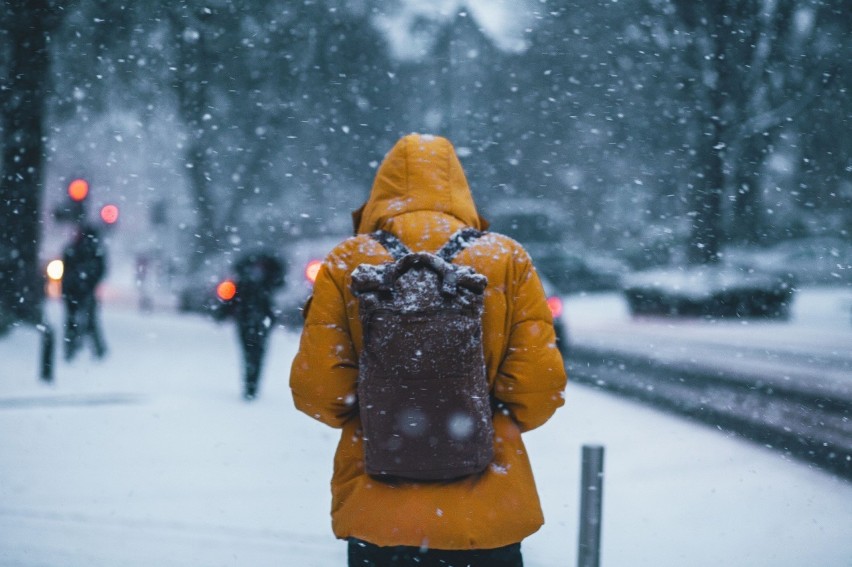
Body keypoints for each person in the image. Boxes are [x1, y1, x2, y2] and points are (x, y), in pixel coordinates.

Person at [289, 133, 568, 566]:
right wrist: (475, 418)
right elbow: (539, 389)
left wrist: (385, 413)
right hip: (487, 519)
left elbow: (317, 391)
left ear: (380, 192)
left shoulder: (347, 263)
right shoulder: (506, 259)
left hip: (379, 520)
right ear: (459, 188)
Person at [220, 251, 285, 400]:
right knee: (255, 353)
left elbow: (231, 298)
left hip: (250, 319)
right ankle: (252, 385)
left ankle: (251, 385)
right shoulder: (265, 280)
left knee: (251, 353)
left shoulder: (248, 279)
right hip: (256, 319)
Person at [61, 224, 107, 361]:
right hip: (82, 290)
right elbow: (100, 271)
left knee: (73, 321)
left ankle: (71, 349)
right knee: (89, 321)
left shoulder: (74, 248)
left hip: (74, 290)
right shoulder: (94, 250)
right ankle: (96, 350)